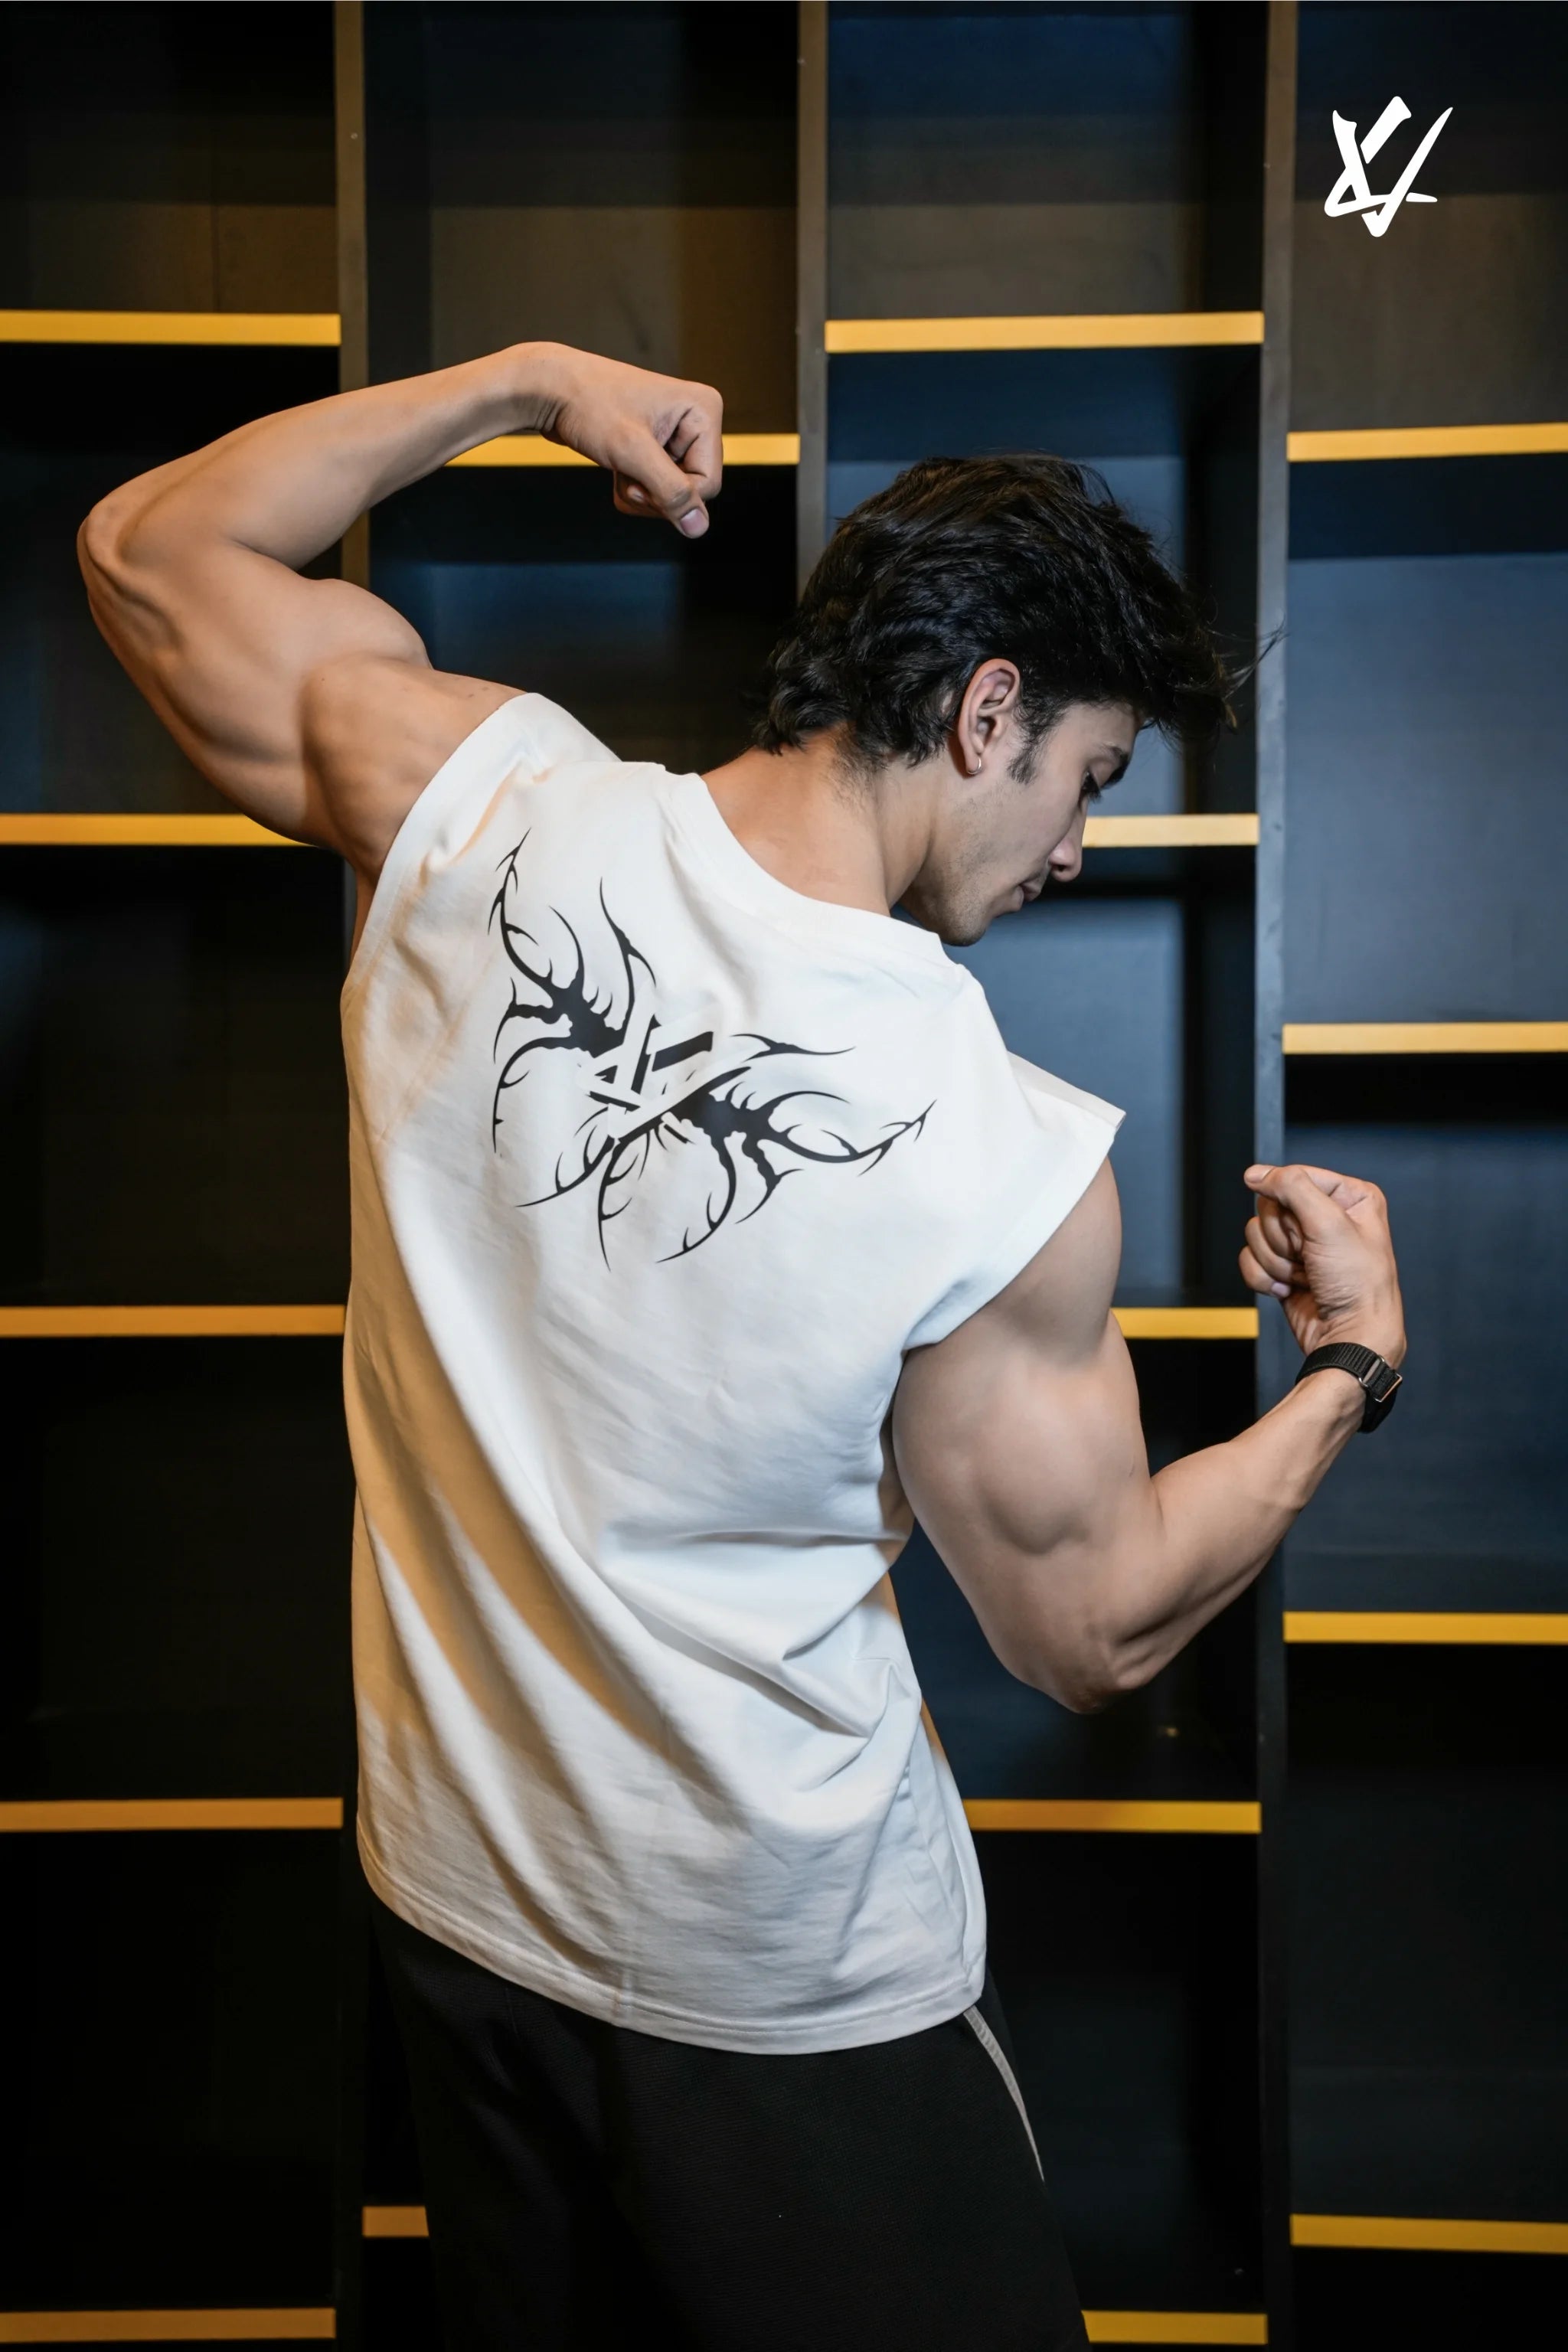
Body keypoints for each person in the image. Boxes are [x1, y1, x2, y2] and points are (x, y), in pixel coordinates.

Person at [80, 343, 1406, 2352]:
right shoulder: (998, 1153)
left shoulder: (472, 804)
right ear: (986, 715)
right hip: (783, 2005)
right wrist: (1349, 1372)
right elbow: (1093, 1627)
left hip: (456, 1915)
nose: (1080, 852)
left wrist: (529, 383)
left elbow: (147, 546)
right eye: (1090, 779)